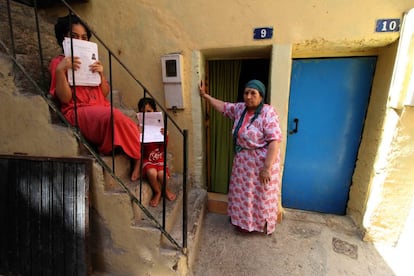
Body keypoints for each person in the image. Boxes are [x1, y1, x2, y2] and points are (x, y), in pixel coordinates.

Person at [49, 14, 141, 181]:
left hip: (99, 105)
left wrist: (101, 73)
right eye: (74, 36)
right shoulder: (59, 63)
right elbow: (64, 99)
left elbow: (104, 92)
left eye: (84, 37)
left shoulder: (91, 61)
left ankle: (135, 154)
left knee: (130, 122)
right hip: (77, 110)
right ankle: (137, 155)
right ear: (64, 38)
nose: (80, 41)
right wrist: (60, 71)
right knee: (114, 117)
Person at [199, 79, 282, 234]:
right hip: (243, 162)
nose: (249, 96)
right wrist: (205, 96)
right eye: (246, 93)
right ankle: (242, 222)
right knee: (242, 194)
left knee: (259, 195)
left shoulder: (268, 112)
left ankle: (257, 224)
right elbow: (223, 106)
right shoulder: (240, 109)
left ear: (261, 96)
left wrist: (267, 168)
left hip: (261, 163)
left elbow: (275, 141)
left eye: (253, 93)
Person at [137, 97, 176, 207]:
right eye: (143, 112)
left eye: (149, 111)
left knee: (162, 174)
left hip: (159, 158)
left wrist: (165, 136)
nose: (146, 115)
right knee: (151, 173)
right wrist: (138, 135)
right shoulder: (139, 128)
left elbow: (163, 149)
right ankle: (157, 192)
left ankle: (166, 189)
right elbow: (138, 149)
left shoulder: (159, 128)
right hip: (147, 159)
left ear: (154, 111)